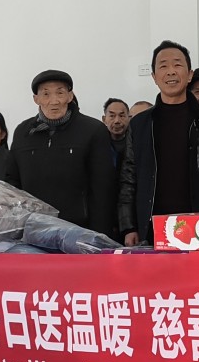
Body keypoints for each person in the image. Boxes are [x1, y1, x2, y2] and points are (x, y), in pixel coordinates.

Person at [118, 42, 199, 245]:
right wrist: (129, 226)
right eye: (163, 66)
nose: (170, 72)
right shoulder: (140, 124)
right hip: (152, 227)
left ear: (190, 74)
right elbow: (128, 178)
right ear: (154, 76)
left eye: (177, 65)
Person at [7, 71, 117, 237]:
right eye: (46, 94)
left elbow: (103, 188)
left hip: (79, 230)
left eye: (60, 93)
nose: (54, 101)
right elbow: (12, 183)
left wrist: (99, 235)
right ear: (36, 99)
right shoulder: (23, 132)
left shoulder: (93, 130)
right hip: (33, 230)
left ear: (70, 96)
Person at [102, 97, 131, 171]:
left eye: (121, 116)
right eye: (112, 116)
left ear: (129, 118)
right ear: (104, 119)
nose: (117, 121)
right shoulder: (97, 143)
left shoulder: (136, 142)